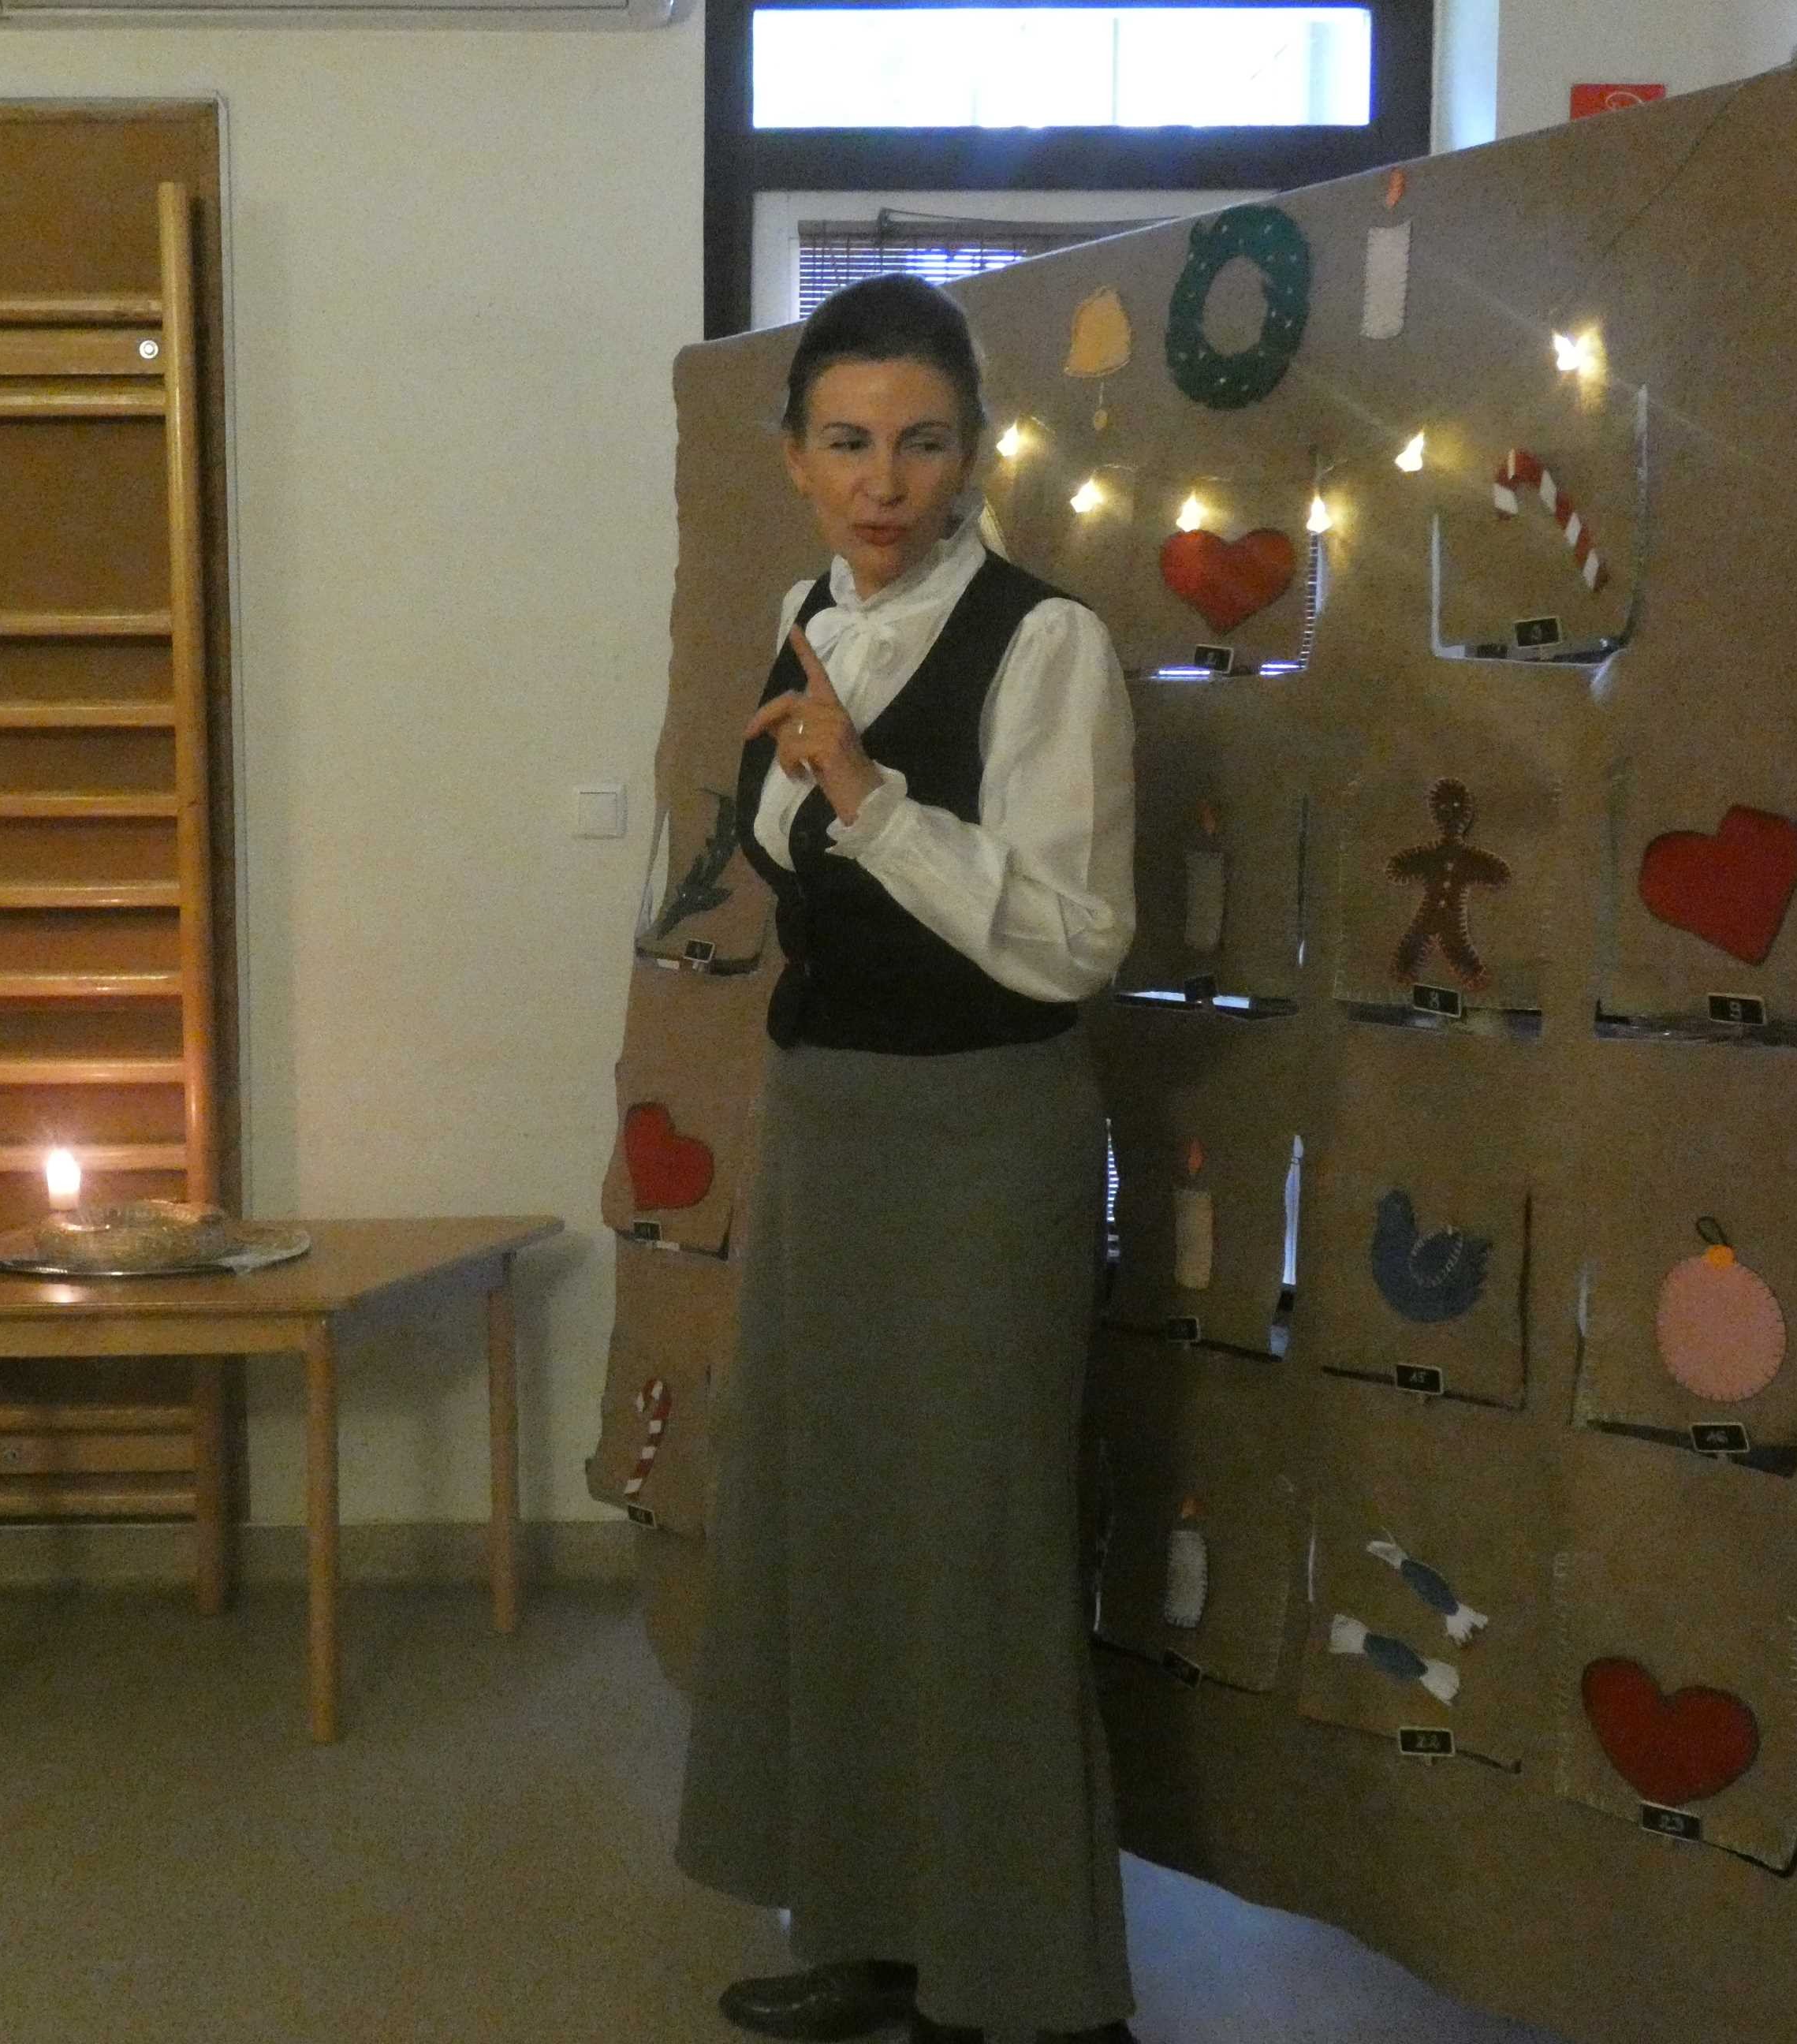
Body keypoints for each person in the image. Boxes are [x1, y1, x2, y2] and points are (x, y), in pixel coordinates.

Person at [673, 273, 1141, 2044]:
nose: (886, 482)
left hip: (985, 1137)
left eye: (924, 442)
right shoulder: (804, 617)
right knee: (837, 1529)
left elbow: (1076, 941)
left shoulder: (1048, 643)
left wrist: (870, 801)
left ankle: (1020, 1983)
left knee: (978, 1547)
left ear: (975, 451)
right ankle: (870, 1924)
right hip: (832, 1126)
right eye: (850, 442)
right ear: (794, 457)